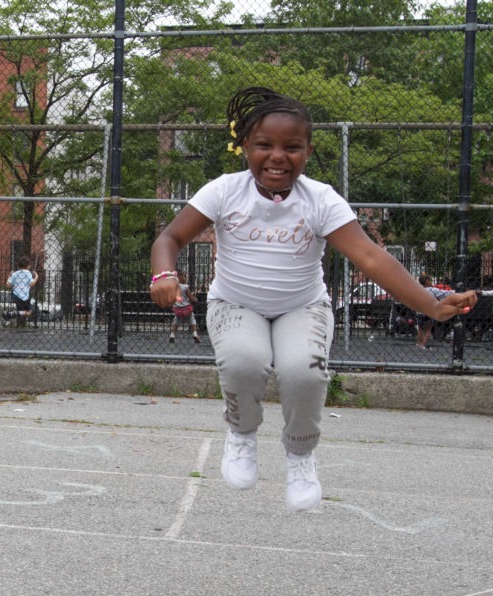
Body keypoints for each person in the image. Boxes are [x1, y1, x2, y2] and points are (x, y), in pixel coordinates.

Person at [149, 86, 476, 512]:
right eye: (264, 145)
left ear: (308, 150)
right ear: (245, 145)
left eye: (292, 147)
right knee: (245, 361)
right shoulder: (225, 191)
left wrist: (429, 304)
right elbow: (170, 237)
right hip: (235, 305)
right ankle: (242, 432)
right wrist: (165, 273)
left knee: (304, 373)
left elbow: (372, 257)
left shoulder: (320, 199)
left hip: (302, 308)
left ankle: (300, 454)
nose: (277, 156)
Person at [414, 273, 452, 350]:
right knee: (428, 329)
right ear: (427, 281)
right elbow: (445, 294)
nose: (432, 283)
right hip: (429, 311)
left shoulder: (419, 290)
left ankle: (418, 343)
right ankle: (423, 345)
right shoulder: (433, 290)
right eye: (431, 281)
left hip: (420, 311)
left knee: (420, 328)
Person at [7, 256, 38, 327]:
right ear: (28, 266)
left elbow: (8, 285)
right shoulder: (28, 273)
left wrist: (9, 275)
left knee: (20, 310)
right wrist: (36, 277)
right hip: (25, 296)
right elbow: (32, 284)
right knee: (29, 312)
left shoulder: (14, 274)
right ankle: (11, 315)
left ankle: (13, 318)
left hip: (16, 295)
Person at [168, 275, 200, 343]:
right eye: (184, 276)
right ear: (180, 278)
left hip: (178, 310)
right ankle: (195, 334)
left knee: (176, 321)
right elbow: (192, 298)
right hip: (186, 308)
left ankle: (172, 335)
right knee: (192, 319)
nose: (185, 277)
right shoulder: (184, 287)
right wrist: (195, 300)